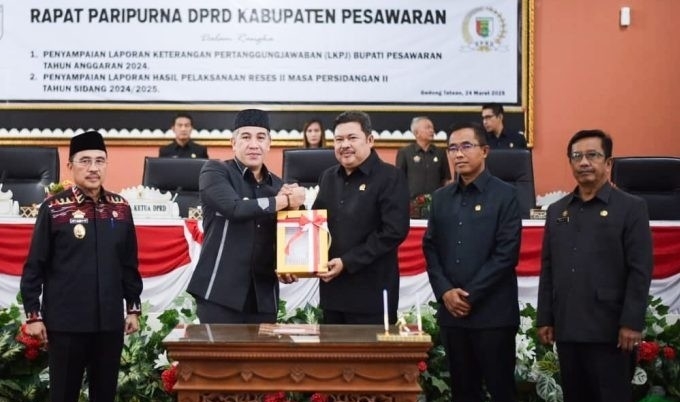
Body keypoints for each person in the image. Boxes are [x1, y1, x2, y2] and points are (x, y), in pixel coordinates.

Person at [20, 131, 143, 402]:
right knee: (63, 395)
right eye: (85, 161)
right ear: (70, 166)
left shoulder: (121, 208)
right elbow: (35, 265)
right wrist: (33, 315)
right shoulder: (54, 208)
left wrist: (133, 308)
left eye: (100, 161)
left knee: (104, 395)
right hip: (66, 324)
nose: (93, 168)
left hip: (109, 324)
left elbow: (129, 263)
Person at [536, 129, 653, 402]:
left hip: (611, 331)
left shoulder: (631, 208)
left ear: (608, 163)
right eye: (577, 156)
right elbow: (548, 267)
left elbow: (640, 270)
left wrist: (631, 322)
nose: (584, 162)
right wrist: (545, 318)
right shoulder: (557, 211)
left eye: (592, 155)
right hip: (568, 328)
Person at [423, 122, 522, 402]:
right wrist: (445, 292)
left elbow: (506, 254)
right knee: (463, 392)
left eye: (466, 146)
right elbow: (430, 248)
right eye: (452, 148)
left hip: (493, 315)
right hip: (453, 316)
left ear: (485, 151)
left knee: (501, 391)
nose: (458, 154)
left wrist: (468, 296)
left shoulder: (506, 195)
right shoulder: (440, 198)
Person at [187, 109, 305, 324]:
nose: (253, 144)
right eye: (246, 137)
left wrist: (287, 265)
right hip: (220, 295)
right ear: (233, 142)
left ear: (269, 144)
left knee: (261, 348)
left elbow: (286, 235)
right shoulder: (215, 171)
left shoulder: (278, 185)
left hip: (263, 298)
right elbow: (235, 209)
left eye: (260, 137)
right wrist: (283, 201)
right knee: (218, 348)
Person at [312, 110, 410, 324]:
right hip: (333, 293)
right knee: (332, 347)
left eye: (352, 138)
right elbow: (314, 224)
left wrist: (347, 262)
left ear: (370, 140)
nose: (344, 145)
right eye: (339, 139)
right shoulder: (328, 177)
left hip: (372, 295)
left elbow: (394, 231)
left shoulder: (391, 177)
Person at [395, 116, 451, 199]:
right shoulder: (405, 152)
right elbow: (399, 180)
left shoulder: (440, 152)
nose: (432, 130)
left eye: (432, 128)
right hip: (412, 202)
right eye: (428, 128)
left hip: (436, 202)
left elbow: (446, 179)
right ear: (416, 133)